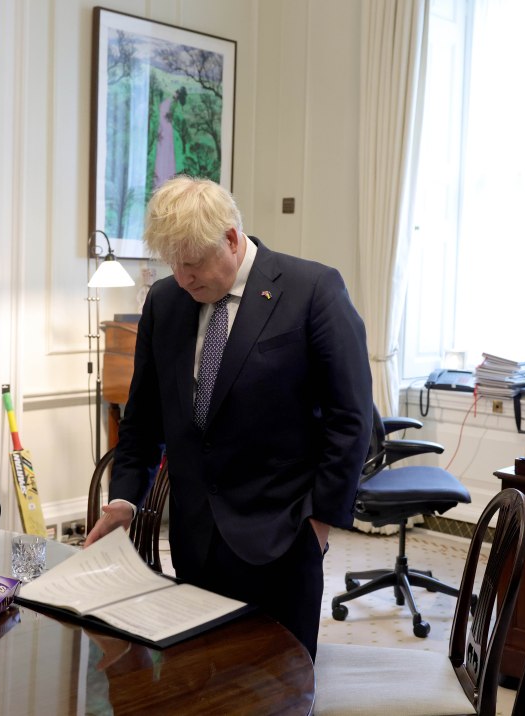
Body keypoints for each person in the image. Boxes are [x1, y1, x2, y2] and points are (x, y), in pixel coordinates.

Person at [83, 176, 372, 659]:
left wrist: (319, 523)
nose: (182, 277)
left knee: (280, 691)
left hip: (282, 540)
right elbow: (142, 419)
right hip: (196, 544)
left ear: (232, 240)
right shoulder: (166, 303)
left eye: (192, 263)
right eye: (173, 264)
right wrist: (125, 498)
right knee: (201, 685)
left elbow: (351, 417)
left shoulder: (313, 290)